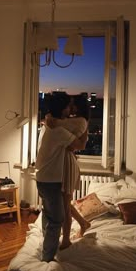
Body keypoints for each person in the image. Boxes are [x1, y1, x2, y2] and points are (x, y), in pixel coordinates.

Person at [35, 93, 88, 262]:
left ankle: (47, 243)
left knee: (47, 213)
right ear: (62, 109)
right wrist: (86, 127)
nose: (70, 110)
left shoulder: (48, 125)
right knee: (57, 219)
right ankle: (47, 258)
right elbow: (80, 145)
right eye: (68, 107)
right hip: (51, 180)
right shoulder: (58, 130)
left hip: (42, 178)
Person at [46, 94, 91, 250]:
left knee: (65, 204)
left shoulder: (79, 121)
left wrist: (48, 118)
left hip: (68, 164)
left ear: (78, 106)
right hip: (64, 162)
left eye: (73, 104)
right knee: (64, 202)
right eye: (69, 104)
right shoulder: (76, 121)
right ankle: (83, 223)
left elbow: (55, 125)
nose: (70, 108)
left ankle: (66, 239)